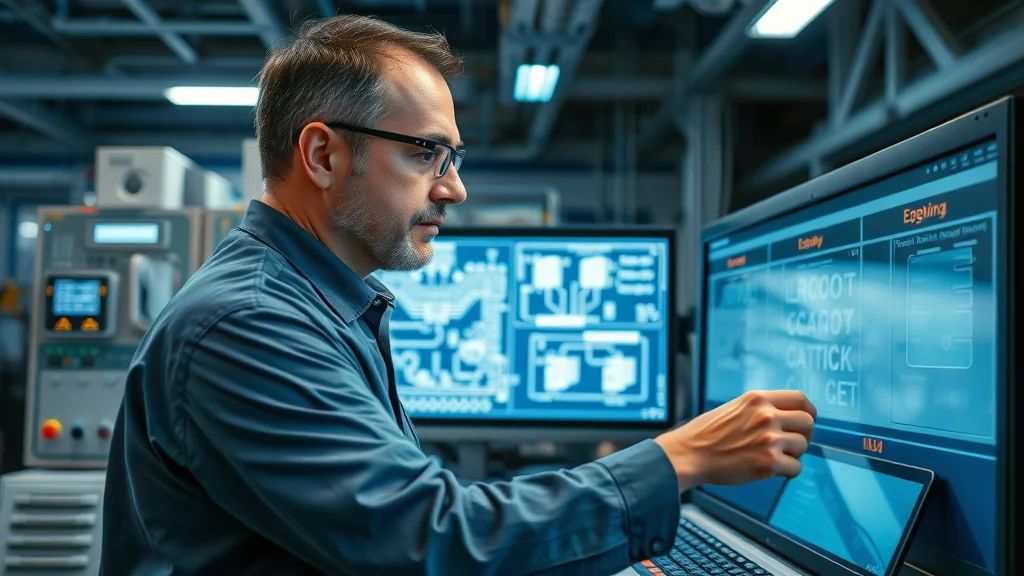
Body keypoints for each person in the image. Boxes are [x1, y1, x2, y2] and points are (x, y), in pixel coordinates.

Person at [99, 15, 816, 576]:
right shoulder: (248, 324)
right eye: (424, 154)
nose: (454, 187)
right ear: (322, 155)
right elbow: (433, 542)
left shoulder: (319, 303)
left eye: (454, 158)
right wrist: (678, 459)